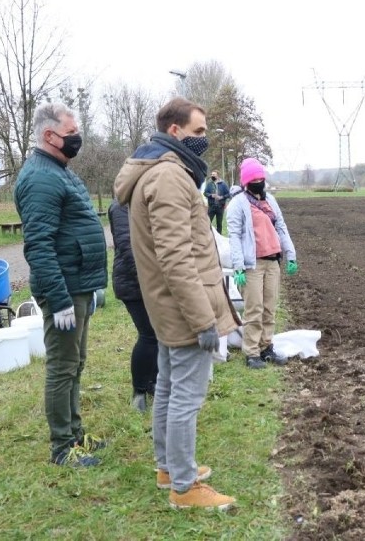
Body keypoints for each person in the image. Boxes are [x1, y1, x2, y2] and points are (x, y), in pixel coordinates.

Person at [114, 97, 238, 510]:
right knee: (187, 395)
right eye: (198, 132)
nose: (203, 140)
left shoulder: (163, 171)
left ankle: (168, 466)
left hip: (167, 304)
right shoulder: (168, 176)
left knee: (167, 386)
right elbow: (175, 256)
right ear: (175, 132)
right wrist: (204, 319)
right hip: (184, 306)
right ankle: (184, 488)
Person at [14, 102, 108, 467]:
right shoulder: (40, 178)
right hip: (64, 289)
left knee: (76, 361)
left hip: (78, 283)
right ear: (49, 135)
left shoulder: (60, 170)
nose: (77, 139)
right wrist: (60, 298)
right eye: (71, 133)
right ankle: (62, 448)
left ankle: (75, 433)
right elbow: (38, 245)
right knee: (62, 365)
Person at [227, 158, 298, 369]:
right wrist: (239, 266)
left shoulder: (271, 201)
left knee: (269, 308)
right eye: (255, 178)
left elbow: (282, 228)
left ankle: (267, 346)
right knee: (254, 309)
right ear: (247, 181)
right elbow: (234, 236)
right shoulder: (237, 204)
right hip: (252, 265)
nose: (259, 181)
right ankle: (251, 352)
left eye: (261, 177)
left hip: (272, 262)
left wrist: (291, 254)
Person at [108, 198, 158, 413]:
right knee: (148, 334)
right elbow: (128, 247)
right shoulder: (120, 207)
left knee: (157, 335)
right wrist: (151, 276)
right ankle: (139, 391)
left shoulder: (145, 202)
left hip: (152, 281)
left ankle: (153, 382)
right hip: (132, 281)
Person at [204, 170, 230, 234]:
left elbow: (228, 194)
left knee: (219, 224)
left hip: (220, 207)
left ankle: (219, 238)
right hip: (211, 206)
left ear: (218, 176)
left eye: (214, 175)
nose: (212, 176)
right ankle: (207, 235)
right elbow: (205, 193)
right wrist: (211, 195)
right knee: (207, 222)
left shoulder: (223, 184)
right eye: (212, 174)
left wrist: (222, 197)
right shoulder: (209, 184)